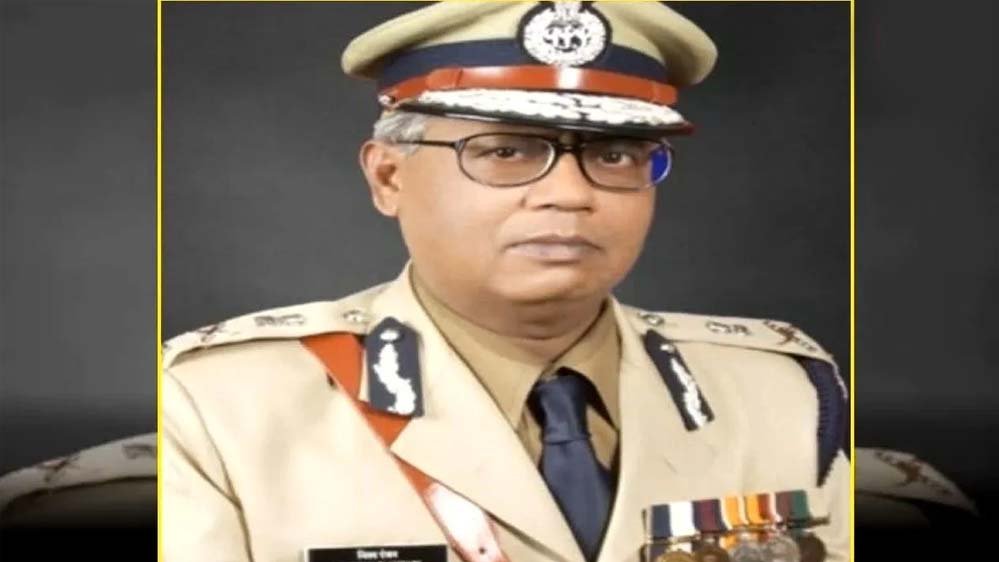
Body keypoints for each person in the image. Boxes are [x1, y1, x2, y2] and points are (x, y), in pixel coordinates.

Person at [162, 2, 850, 561]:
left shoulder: (781, 394)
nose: (570, 195)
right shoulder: (222, 408)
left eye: (615, 155)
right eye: (505, 150)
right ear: (388, 177)